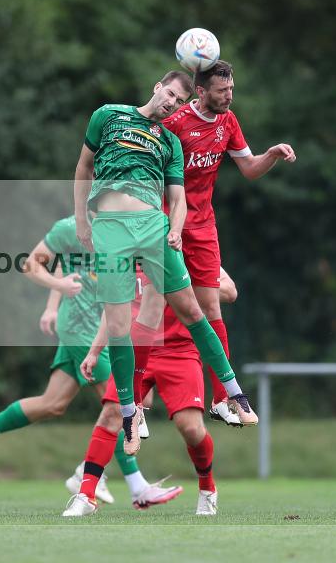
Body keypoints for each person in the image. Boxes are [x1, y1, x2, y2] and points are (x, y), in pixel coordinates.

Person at [73, 71, 257, 458]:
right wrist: (80, 222)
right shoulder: (108, 115)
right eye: (169, 95)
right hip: (110, 231)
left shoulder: (170, 141)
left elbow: (177, 198)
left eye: (177, 101)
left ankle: (233, 393)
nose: (170, 103)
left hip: (154, 231)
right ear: (157, 87)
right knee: (122, 325)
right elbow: (84, 167)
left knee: (194, 308)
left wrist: (175, 230)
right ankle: (130, 413)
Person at [0, 216, 174, 507]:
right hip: (82, 328)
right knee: (120, 404)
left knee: (52, 403)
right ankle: (134, 487)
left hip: (99, 326)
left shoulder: (123, 224)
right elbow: (33, 264)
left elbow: (75, 264)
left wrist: (51, 306)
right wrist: (57, 290)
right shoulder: (70, 227)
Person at [162, 60, 296, 424]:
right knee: (152, 306)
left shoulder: (228, 122)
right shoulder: (173, 125)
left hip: (203, 227)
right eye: (222, 91)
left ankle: (222, 399)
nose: (229, 96)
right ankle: (134, 406)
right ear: (202, 92)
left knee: (213, 308)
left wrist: (271, 154)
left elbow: (250, 169)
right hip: (167, 225)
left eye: (232, 89)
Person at [63, 268, 230, 516]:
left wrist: (185, 283)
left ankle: (207, 488)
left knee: (191, 428)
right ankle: (86, 495)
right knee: (111, 414)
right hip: (134, 348)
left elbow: (230, 290)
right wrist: (95, 351)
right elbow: (113, 308)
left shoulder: (184, 251)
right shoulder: (126, 254)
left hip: (180, 351)